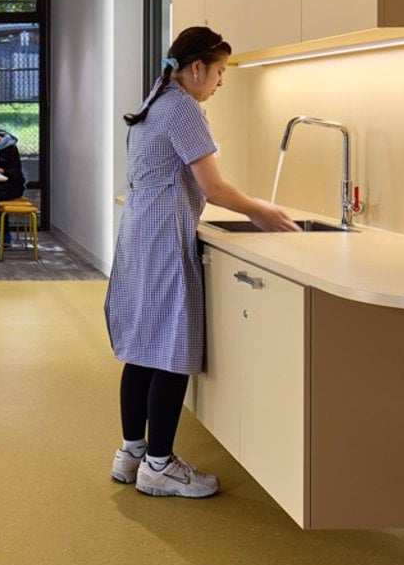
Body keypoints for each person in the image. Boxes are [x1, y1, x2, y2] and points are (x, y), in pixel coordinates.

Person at [105, 26, 297, 498]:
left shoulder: (154, 103)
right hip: (164, 238)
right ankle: (159, 466)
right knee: (170, 349)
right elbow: (212, 187)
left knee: (142, 348)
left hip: (139, 234)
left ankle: (132, 453)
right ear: (196, 68)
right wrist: (261, 210)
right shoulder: (184, 110)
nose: (220, 83)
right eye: (219, 72)